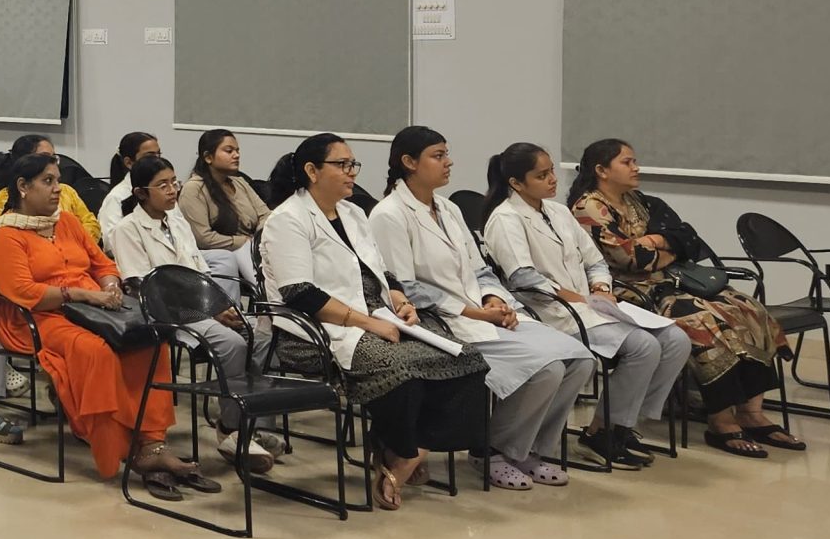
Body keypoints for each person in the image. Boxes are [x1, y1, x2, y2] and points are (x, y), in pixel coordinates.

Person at [0, 152, 213, 498]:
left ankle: (153, 442)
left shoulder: (66, 222)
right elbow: (25, 293)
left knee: (151, 341)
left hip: (95, 309)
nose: (57, 189)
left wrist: (109, 285)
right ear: (23, 187)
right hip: (38, 319)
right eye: (48, 181)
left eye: (58, 181)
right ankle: (126, 450)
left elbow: (102, 263)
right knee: (98, 352)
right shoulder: (4, 235)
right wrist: (82, 295)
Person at [260, 134, 490, 511]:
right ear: (312, 171)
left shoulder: (352, 213)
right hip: (319, 331)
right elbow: (300, 293)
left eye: (353, 164)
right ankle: (396, 450)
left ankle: (404, 457)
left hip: (376, 316)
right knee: (403, 370)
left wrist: (398, 297)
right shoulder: (288, 220)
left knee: (468, 361)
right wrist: (366, 322)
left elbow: (380, 269)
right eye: (342, 165)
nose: (352, 172)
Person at [370, 129, 594, 490]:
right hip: (443, 323)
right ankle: (491, 450)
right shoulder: (389, 214)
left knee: (580, 359)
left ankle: (529, 450)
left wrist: (493, 299)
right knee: (547, 369)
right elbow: (404, 287)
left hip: (482, 314)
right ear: (409, 163)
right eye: (438, 156)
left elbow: (480, 269)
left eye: (447, 154)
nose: (449, 162)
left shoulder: (449, 208)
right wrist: (475, 313)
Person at [570, 139, 799, 459]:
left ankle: (751, 412)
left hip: (668, 281)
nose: (636, 167)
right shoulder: (589, 207)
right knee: (705, 321)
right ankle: (720, 419)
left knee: (747, 308)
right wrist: (664, 249)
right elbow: (629, 259)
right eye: (627, 162)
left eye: (635, 161)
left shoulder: (638, 201)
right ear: (601, 170)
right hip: (628, 292)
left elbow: (687, 240)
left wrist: (655, 244)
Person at [481, 142, 691, 469]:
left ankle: (622, 424)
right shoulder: (506, 219)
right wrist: (574, 297)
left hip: (592, 307)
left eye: (552, 171)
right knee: (643, 347)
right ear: (516, 183)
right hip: (553, 313)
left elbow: (595, 261)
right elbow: (523, 277)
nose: (553, 179)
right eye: (542, 175)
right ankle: (601, 433)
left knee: (676, 339)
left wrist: (601, 288)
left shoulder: (559, 212)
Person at [100, 153, 279, 474]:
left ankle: (252, 424)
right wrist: (209, 311)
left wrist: (220, 305)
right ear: (141, 193)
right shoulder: (127, 230)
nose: (172, 190)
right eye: (162, 185)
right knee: (232, 344)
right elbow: (145, 286)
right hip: (165, 314)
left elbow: (200, 272)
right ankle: (231, 429)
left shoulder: (177, 221)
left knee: (261, 334)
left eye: (174, 182)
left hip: (199, 307)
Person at [178, 129, 268, 303]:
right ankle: (265, 296)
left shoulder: (240, 182)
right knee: (240, 252)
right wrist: (242, 241)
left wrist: (258, 237)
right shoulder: (194, 189)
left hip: (254, 247)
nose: (236, 155)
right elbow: (202, 238)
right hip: (223, 253)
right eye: (229, 151)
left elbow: (266, 215)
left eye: (237, 150)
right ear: (208, 157)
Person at [0, 134, 102, 243]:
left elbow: (91, 223)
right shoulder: (6, 197)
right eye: (45, 157)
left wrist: (75, 244)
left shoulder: (67, 191)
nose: (52, 163)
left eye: (54, 157)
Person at [95, 132, 161, 222]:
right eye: (150, 156)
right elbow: (113, 231)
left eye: (159, 154)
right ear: (129, 163)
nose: (157, 161)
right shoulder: (116, 198)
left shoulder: (164, 191)